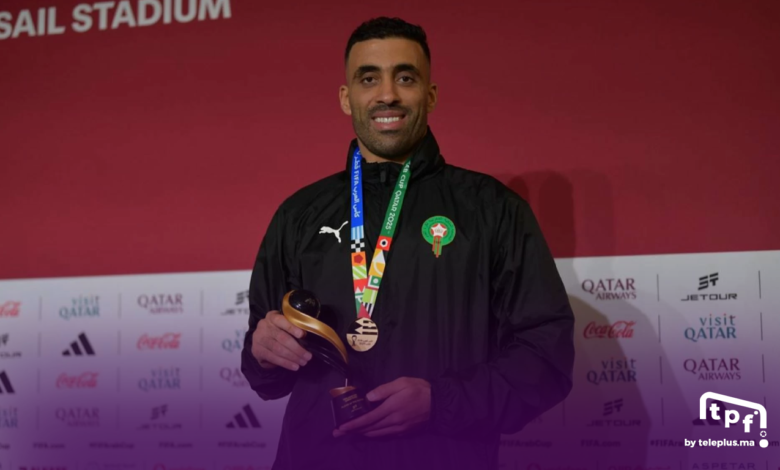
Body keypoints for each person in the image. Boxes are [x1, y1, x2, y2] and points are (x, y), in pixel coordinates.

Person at [241, 17, 574, 470]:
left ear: (430, 95)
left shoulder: (493, 210)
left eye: (405, 77)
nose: (387, 95)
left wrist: (442, 402)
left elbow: (547, 359)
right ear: (346, 97)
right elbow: (265, 376)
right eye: (368, 78)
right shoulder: (299, 213)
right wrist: (264, 353)